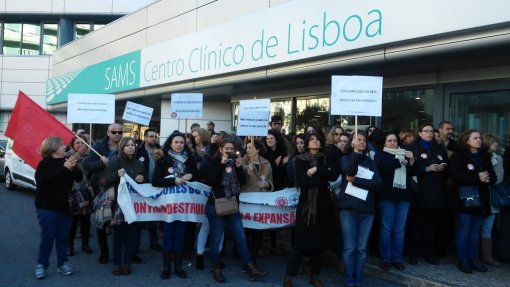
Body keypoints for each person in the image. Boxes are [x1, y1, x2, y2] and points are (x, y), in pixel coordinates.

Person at [205, 138, 268, 282]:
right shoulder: (214, 162)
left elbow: (243, 182)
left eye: (231, 149)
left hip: (232, 205)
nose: (229, 151)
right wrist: (222, 164)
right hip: (216, 205)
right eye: (226, 148)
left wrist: (239, 167)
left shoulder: (235, 163)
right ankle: (216, 269)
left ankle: (250, 268)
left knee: (241, 238)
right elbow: (212, 180)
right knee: (216, 239)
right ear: (221, 149)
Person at [284, 132, 339, 287]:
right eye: (312, 140)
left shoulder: (325, 158)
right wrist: (322, 176)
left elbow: (334, 174)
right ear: (307, 143)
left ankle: (314, 275)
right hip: (306, 205)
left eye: (317, 139)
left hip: (323, 205)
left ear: (321, 143)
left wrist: (316, 170)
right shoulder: (300, 160)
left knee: (320, 243)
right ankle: (289, 275)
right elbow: (303, 181)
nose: (315, 141)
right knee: (300, 243)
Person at [34, 136, 83, 279]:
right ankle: (41, 265)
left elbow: (79, 178)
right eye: (62, 145)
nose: (65, 147)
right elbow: (44, 184)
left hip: (65, 206)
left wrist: (72, 165)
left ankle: (63, 263)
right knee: (48, 237)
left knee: (62, 238)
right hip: (47, 207)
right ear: (53, 148)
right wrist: (64, 168)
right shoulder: (44, 164)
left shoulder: (65, 161)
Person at [152, 131, 198, 279]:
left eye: (182, 142)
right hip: (169, 205)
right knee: (168, 235)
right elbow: (155, 181)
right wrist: (173, 181)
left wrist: (191, 175)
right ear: (170, 143)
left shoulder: (189, 159)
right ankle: (166, 267)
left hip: (184, 205)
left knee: (180, 235)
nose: (179, 145)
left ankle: (178, 266)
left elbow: (197, 176)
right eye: (176, 142)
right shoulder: (163, 159)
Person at [449, 130, 496, 274]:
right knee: (464, 229)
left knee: (475, 231)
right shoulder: (458, 155)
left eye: (480, 138)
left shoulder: (484, 156)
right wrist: (477, 177)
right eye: (475, 138)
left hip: (481, 198)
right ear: (466, 140)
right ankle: (463, 260)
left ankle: (474, 259)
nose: (479, 140)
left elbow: (492, 177)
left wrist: (488, 178)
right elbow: (456, 176)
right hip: (465, 199)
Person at [338, 132, 381, 287]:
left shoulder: (371, 162)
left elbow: (377, 183)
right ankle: (350, 280)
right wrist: (355, 154)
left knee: (361, 249)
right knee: (350, 248)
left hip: (367, 210)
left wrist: (356, 181)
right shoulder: (345, 158)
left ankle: (358, 280)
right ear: (352, 143)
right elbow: (348, 171)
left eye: (363, 140)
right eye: (358, 140)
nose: (361, 142)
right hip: (349, 209)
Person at [100, 137, 146, 275]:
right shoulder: (115, 161)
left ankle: (127, 263)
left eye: (132, 145)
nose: (131, 147)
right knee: (119, 235)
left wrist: (143, 179)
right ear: (122, 148)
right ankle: (117, 263)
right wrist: (116, 174)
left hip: (135, 204)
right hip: (119, 205)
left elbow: (146, 183)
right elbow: (102, 181)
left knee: (132, 235)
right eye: (127, 145)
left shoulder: (139, 164)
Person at [406, 123, 448, 266]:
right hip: (420, 192)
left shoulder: (439, 148)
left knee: (432, 225)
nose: (429, 133)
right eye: (426, 131)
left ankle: (430, 253)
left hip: (436, 192)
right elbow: (409, 170)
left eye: (431, 131)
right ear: (419, 133)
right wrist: (426, 168)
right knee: (417, 225)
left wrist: (442, 166)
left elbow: (446, 165)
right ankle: (414, 253)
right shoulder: (413, 148)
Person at [374, 132, 415, 271]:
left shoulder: (404, 153)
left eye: (395, 140)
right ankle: (385, 258)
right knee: (386, 228)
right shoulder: (380, 155)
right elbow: (383, 167)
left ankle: (397, 258)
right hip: (386, 197)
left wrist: (411, 161)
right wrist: (399, 161)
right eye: (389, 140)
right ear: (384, 143)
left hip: (404, 197)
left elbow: (413, 173)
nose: (393, 143)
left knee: (400, 230)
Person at [83, 123, 123, 264]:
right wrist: (101, 163)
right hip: (101, 188)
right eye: (114, 132)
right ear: (108, 132)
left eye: (120, 132)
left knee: (119, 221)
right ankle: (104, 252)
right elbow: (86, 165)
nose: (117, 134)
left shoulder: (125, 146)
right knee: (102, 222)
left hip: (119, 189)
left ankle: (120, 253)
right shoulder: (98, 148)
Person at [241, 138, 274, 266]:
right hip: (247, 203)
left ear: (258, 149)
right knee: (246, 233)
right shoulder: (242, 162)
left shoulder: (266, 163)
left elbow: (272, 182)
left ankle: (253, 261)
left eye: (250, 147)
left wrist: (267, 184)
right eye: (247, 147)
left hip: (261, 203)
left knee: (258, 234)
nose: (247, 150)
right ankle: (246, 260)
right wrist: (245, 170)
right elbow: (239, 181)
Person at [136, 129, 163, 252]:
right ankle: (136, 245)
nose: (153, 138)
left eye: (155, 136)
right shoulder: (138, 150)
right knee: (140, 217)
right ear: (145, 137)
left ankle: (154, 242)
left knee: (154, 216)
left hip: (155, 186)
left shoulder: (160, 150)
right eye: (151, 136)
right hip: (142, 186)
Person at [66, 134, 93, 256]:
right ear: (72, 144)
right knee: (72, 222)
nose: (80, 145)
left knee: (86, 221)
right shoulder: (68, 155)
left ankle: (85, 244)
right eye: (77, 142)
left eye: (83, 143)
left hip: (86, 192)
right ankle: (69, 245)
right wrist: (79, 154)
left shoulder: (91, 155)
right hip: (73, 192)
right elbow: (68, 166)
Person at [480, 134, 502, 267]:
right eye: (494, 142)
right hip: (481, 197)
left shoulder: (497, 158)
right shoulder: (481, 157)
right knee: (477, 226)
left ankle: (486, 255)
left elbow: (498, 178)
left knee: (487, 228)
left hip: (492, 197)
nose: (497, 145)